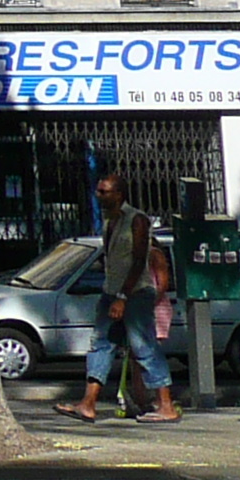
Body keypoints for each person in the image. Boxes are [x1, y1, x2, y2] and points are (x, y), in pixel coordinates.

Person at [57, 173, 178, 422]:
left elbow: (138, 260)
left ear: (119, 194)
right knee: (100, 344)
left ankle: (166, 405)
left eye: (104, 191)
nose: (99, 195)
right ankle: (88, 403)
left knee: (144, 346)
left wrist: (123, 297)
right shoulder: (109, 221)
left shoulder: (137, 220)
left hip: (135, 294)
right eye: (99, 191)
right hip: (110, 292)